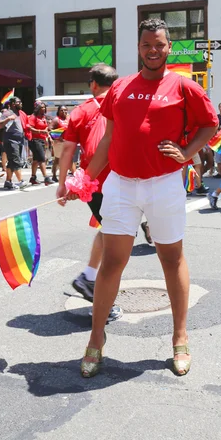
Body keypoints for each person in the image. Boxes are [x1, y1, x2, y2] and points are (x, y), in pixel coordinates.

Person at [59, 19, 218, 378]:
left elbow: (210, 124)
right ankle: (95, 339)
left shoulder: (184, 86)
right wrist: (82, 179)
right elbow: (106, 141)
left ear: (168, 48)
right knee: (113, 262)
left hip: (164, 184)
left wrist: (187, 151)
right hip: (120, 185)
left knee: (171, 258)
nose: (153, 50)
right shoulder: (121, 87)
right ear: (139, 47)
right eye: (147, 45)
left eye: (159, 45)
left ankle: (179, 336)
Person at [56, 64, 123, 323]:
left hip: (92, 183)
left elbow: (67, 150)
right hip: (120, 180)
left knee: (109, 232)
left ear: (93, 84)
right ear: (114, 84)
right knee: (116, 241)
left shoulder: (80, 111)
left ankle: (89, 277)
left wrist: (63, 183)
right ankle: (101, 299)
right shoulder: (121, 104)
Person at [0, 97, 29, 190]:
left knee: (11, 162)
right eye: (19, 102)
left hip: (19, 140)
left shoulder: (19, 113)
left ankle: (8, 182)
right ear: (13, 104)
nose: (21, 103)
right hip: (10, 140)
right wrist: (8, 119)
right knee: (15, 160)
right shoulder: (7, 113)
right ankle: (21, 180)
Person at [28, 101, 54, 186]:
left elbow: (46, 129)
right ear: (37, 108)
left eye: (44, 107)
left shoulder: (43, 117)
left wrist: (48, 137)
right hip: (35, 140)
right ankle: (46, 177)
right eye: (41, 107)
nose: (43, 109)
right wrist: (40, 131)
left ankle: (33, 177)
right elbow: (30, 128)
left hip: (42, 140)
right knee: (42, 158)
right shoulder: (33, 117)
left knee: (36, 159)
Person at [51, 106, 69, 182]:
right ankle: (54, 175)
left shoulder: (69, 119)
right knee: (57, 160)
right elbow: (50, 129)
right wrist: (58, 137)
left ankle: (66, 175)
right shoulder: (56, 120)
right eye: (61, 110)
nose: (63, 111)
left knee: (68, 159)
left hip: (67, 141)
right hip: (58, 142)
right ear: (58, 111)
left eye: (65, 110)